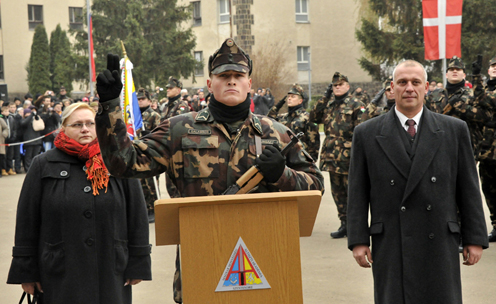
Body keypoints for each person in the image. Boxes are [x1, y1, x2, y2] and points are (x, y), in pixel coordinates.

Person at [95, 38, 324, 304]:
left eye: (238, 75)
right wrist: (110, 105)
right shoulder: (178, 130)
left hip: (266, 260)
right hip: (201, 261)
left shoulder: (277, 132)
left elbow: (316, 186)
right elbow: (123, 162)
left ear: (249, 83)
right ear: (209, 84)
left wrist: (281, 175)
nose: (231, 81)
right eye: (223, 75)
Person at [347, 60, 489, 304]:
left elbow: (468, 188)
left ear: (426, 88)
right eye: (402, 82)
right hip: (391, 240)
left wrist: (474, 238)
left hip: (440, 240)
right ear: (392, 88)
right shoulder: (367, 133)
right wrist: (358, 241)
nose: (409, 88)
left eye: (416, 82)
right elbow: (358, 192)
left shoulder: (454, 130)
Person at [7, 102, 151, 303]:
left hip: (111, 269)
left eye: (90, 123)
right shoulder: (43, 164)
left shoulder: (117, 160)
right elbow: (27, 220)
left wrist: (139, 261)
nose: (85, 129)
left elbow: (137, 214)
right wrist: (26, 270)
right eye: (77, 124)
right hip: (59, 271)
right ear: (63, 128)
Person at [309, 72, 366, 238]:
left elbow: (361, 131)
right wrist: (325, 98)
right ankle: (344, 224)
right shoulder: (329, 105)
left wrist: (358, 154)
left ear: (348, 86)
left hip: (349, 157)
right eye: (334, 86)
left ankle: (356, 227)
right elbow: (313, 117)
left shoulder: (357, 104)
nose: (337, 88)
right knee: (337, 193)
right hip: (331, 157)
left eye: (340, 85)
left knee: (353, 194)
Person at [425, 56, 488, 159]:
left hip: (465, 148)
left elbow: (484, 116)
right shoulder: (434, 95)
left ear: (464, 75)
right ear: (446, 74)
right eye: (451, 69)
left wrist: (460, 106)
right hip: (439, 148)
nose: (454, 71)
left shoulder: (473, 94)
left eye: (458, 69)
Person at [472, 55, 496, 242]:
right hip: (487, 149)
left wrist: (475, 76)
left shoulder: (485, 91)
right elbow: (476, 111)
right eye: (493, 66)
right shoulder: (486, 88)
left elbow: (484, 101)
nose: (495, 68)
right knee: (489, 189)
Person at [267, 84, 320, 160]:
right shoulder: (283, 117)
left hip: (300, 159)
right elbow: (269, 119)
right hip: (283, 158)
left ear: (300, 101)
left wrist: (311, 161)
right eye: (288, 97)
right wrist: (279, 105)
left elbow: (313, 142)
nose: (289, 99)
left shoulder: (307, 117)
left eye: (293, 97)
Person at [136, 88, 162, 222]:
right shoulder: (133, 115)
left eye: (142, 99)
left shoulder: (154, 115)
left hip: (150, 153)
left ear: (149, 100)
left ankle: (154, 209)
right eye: (138, 99)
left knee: (151, 184)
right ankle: (145, 209)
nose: (140, 102)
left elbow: (160, 135)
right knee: (141, 184)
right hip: (137, 153)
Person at [20, 106, 43, 172]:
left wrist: (35, 115)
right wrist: (30, 116)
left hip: (37, 140)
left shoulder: (34, 118)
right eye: (28, 112)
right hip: (29, 141)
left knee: (35, 156)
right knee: (28, 156)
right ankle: (28, 169)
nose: (30, 113)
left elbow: (40, 124)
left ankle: (35, 169)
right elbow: (23, 123)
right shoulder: (24, 120)